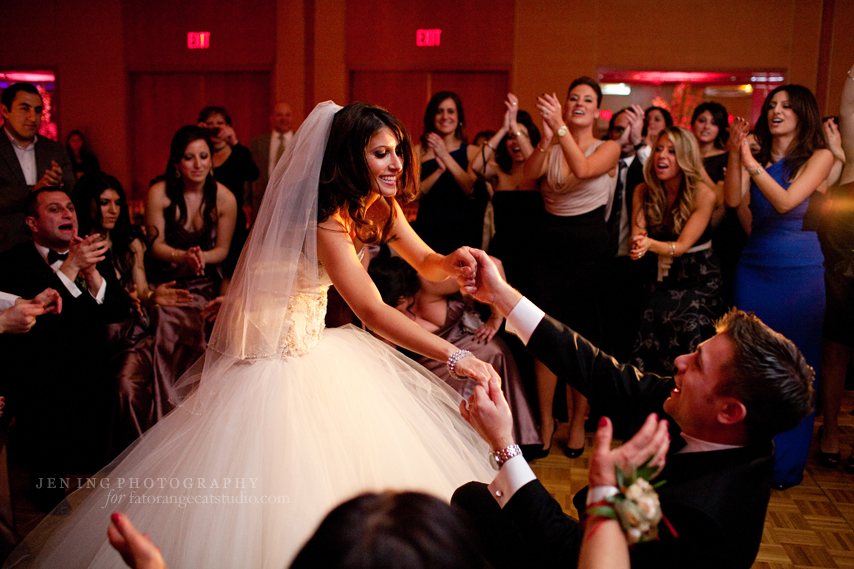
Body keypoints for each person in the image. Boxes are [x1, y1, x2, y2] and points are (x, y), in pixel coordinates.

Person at [11, 102, 496, 569]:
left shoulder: (380, 207)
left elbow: (427, 261)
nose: (397, 162)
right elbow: (370, 310)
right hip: (280, 365)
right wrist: (456, 357)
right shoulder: (327, 222)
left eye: (398, 150)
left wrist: (457, 261)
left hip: (321, 351)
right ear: (351, 157)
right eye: (381, 152)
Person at [452, 249, 814, 569]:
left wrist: (505, 444)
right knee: (475, 501)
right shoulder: (716, 422)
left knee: (472, 508)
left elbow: (573, 554)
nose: (680, 360)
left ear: (730, 412)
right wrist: (501, 296)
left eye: (699, 363)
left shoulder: (705, 521)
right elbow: (599, 372)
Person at [725, 84, 834, 488]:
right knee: (748, 362)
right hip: (754, 268)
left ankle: (784, 466)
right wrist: (738, 153)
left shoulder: (819, 157)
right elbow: (735, 200)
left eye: (786, 106)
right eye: (771, 106)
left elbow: (787, 203)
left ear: (803, 113)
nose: (776, 112)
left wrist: (750, 160)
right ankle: (745, 459)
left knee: (797, 366)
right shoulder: (754, 155)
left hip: (800, 273)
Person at [0, 188, 130, 511]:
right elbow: (40, 325)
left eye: (71, 208)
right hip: (42, 374)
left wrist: (92, 273)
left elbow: (118, 309)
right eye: (55, 209)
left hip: (91, 370)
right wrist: (69, 269)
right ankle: (50, 495)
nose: (68, 214)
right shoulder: (13, 262)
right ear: (32, 223)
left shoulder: (88, 252)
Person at [521, 77, 620, 458]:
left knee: (582, 338)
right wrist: (546, 137)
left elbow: (582, 170)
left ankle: (578, 420)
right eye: (573, 97)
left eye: (587, 99)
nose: (579, 103)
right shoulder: (554, 140)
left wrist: (559, 128)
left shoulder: (608, 147)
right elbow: (528, 174)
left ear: (597, 110)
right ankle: (546, 421)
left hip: (589, 247)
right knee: (544, 334)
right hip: (548, 245)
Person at [369, 253, 541, 449]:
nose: (400, 313)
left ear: (406, 292)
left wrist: (496, 317)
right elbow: (389, 360)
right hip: (431, 362)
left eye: (401, 305)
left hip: (469, 342)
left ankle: (503, 444)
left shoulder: (429, 283)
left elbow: (495, 263)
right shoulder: (382, 311)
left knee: (492, 354)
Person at [73, 173, 192, 443]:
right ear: (88, 203)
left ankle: (141, 456)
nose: (113, 210)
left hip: (131, 334)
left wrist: (152, 295)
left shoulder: (131, 242)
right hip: (93, 333)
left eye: (117, 202)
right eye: (105, 202)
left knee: (126, 385)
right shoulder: (77, 246)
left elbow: (141, 290)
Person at [144, 126, 236, 412]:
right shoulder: (159, 193)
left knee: (206, 326)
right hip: (170, 281)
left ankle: (201, 414)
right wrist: (183, 255)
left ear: (211, 160)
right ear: (176, 162)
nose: (197, 164)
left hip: (207, 283)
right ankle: (167, 412)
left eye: (203, 156)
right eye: (189, 157)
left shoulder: (225, 198)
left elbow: (222, 251)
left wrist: (200, 258)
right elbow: (154, 245)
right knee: (166, 322)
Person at [629, 127, 721, 376]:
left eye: (671, 151)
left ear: (685, 157)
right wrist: (638, 244)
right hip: (660, 277)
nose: (662, 156)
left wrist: (648, 245)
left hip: (697, 278)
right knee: (647, 322)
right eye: (658, 149)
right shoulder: (643, 190)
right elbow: (639, 234)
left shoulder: (704, 194)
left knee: (689, 332)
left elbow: (680, 247)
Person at [815, 62, 854, 469]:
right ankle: (829, 430)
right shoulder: (847, 165)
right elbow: (851, 108)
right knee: (834, 353)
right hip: (840, 267)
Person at [0, 82, 76, 253]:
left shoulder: (54, 150)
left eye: (37, 110)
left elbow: (75, 193)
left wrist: (59, 185)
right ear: (5, 111)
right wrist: (34, 190)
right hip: (6, 245)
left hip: (50, 247)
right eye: (24, 109)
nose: (32, 117)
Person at [602, 105, 649, 362]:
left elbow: (655, 169)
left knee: (626, 338)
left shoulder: (646, 164)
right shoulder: (601, 161)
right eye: (621, 129)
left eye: (632, 130)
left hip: (633, 263)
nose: (627, 136)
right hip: (599, 257)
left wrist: (640, 141)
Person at [691, 102, 747, 309]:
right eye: (702, 121)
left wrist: (696, 165)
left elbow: (722, 198)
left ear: (720, 128)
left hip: (721, 232)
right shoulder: (678, 156)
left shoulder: (727, 158)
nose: (706, 127)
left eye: (714, 123)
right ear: (693, 123)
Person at [412, 91, 483, 254]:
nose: (445, 116)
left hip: (463, 228)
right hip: (428, 225)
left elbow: (469, 188)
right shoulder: (418, 151)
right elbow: (412, 195)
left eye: (450, 111)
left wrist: (444, 155)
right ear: (432, 117)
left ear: (459, 118)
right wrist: (438, 172)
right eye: (439, 111)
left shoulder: (472, 152)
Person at [197, 106, 259, 275]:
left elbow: (253, 174)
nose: (214, 128)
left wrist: (234, 142)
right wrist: (196, 135)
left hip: (233, 221)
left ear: (229, 126)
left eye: (219, 124)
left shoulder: (238, 152)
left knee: (231, 271)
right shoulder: (200, 156)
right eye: (209, 124)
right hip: (202, 219)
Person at [248, 101, 294, 222]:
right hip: (262, 203)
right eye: (279, 115)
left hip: (293, 205)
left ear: (292, 118)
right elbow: (249, 174)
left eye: (287, 115)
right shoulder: (257, 142)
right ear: (272, 118)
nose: (284, 119)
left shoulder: (302, 142)